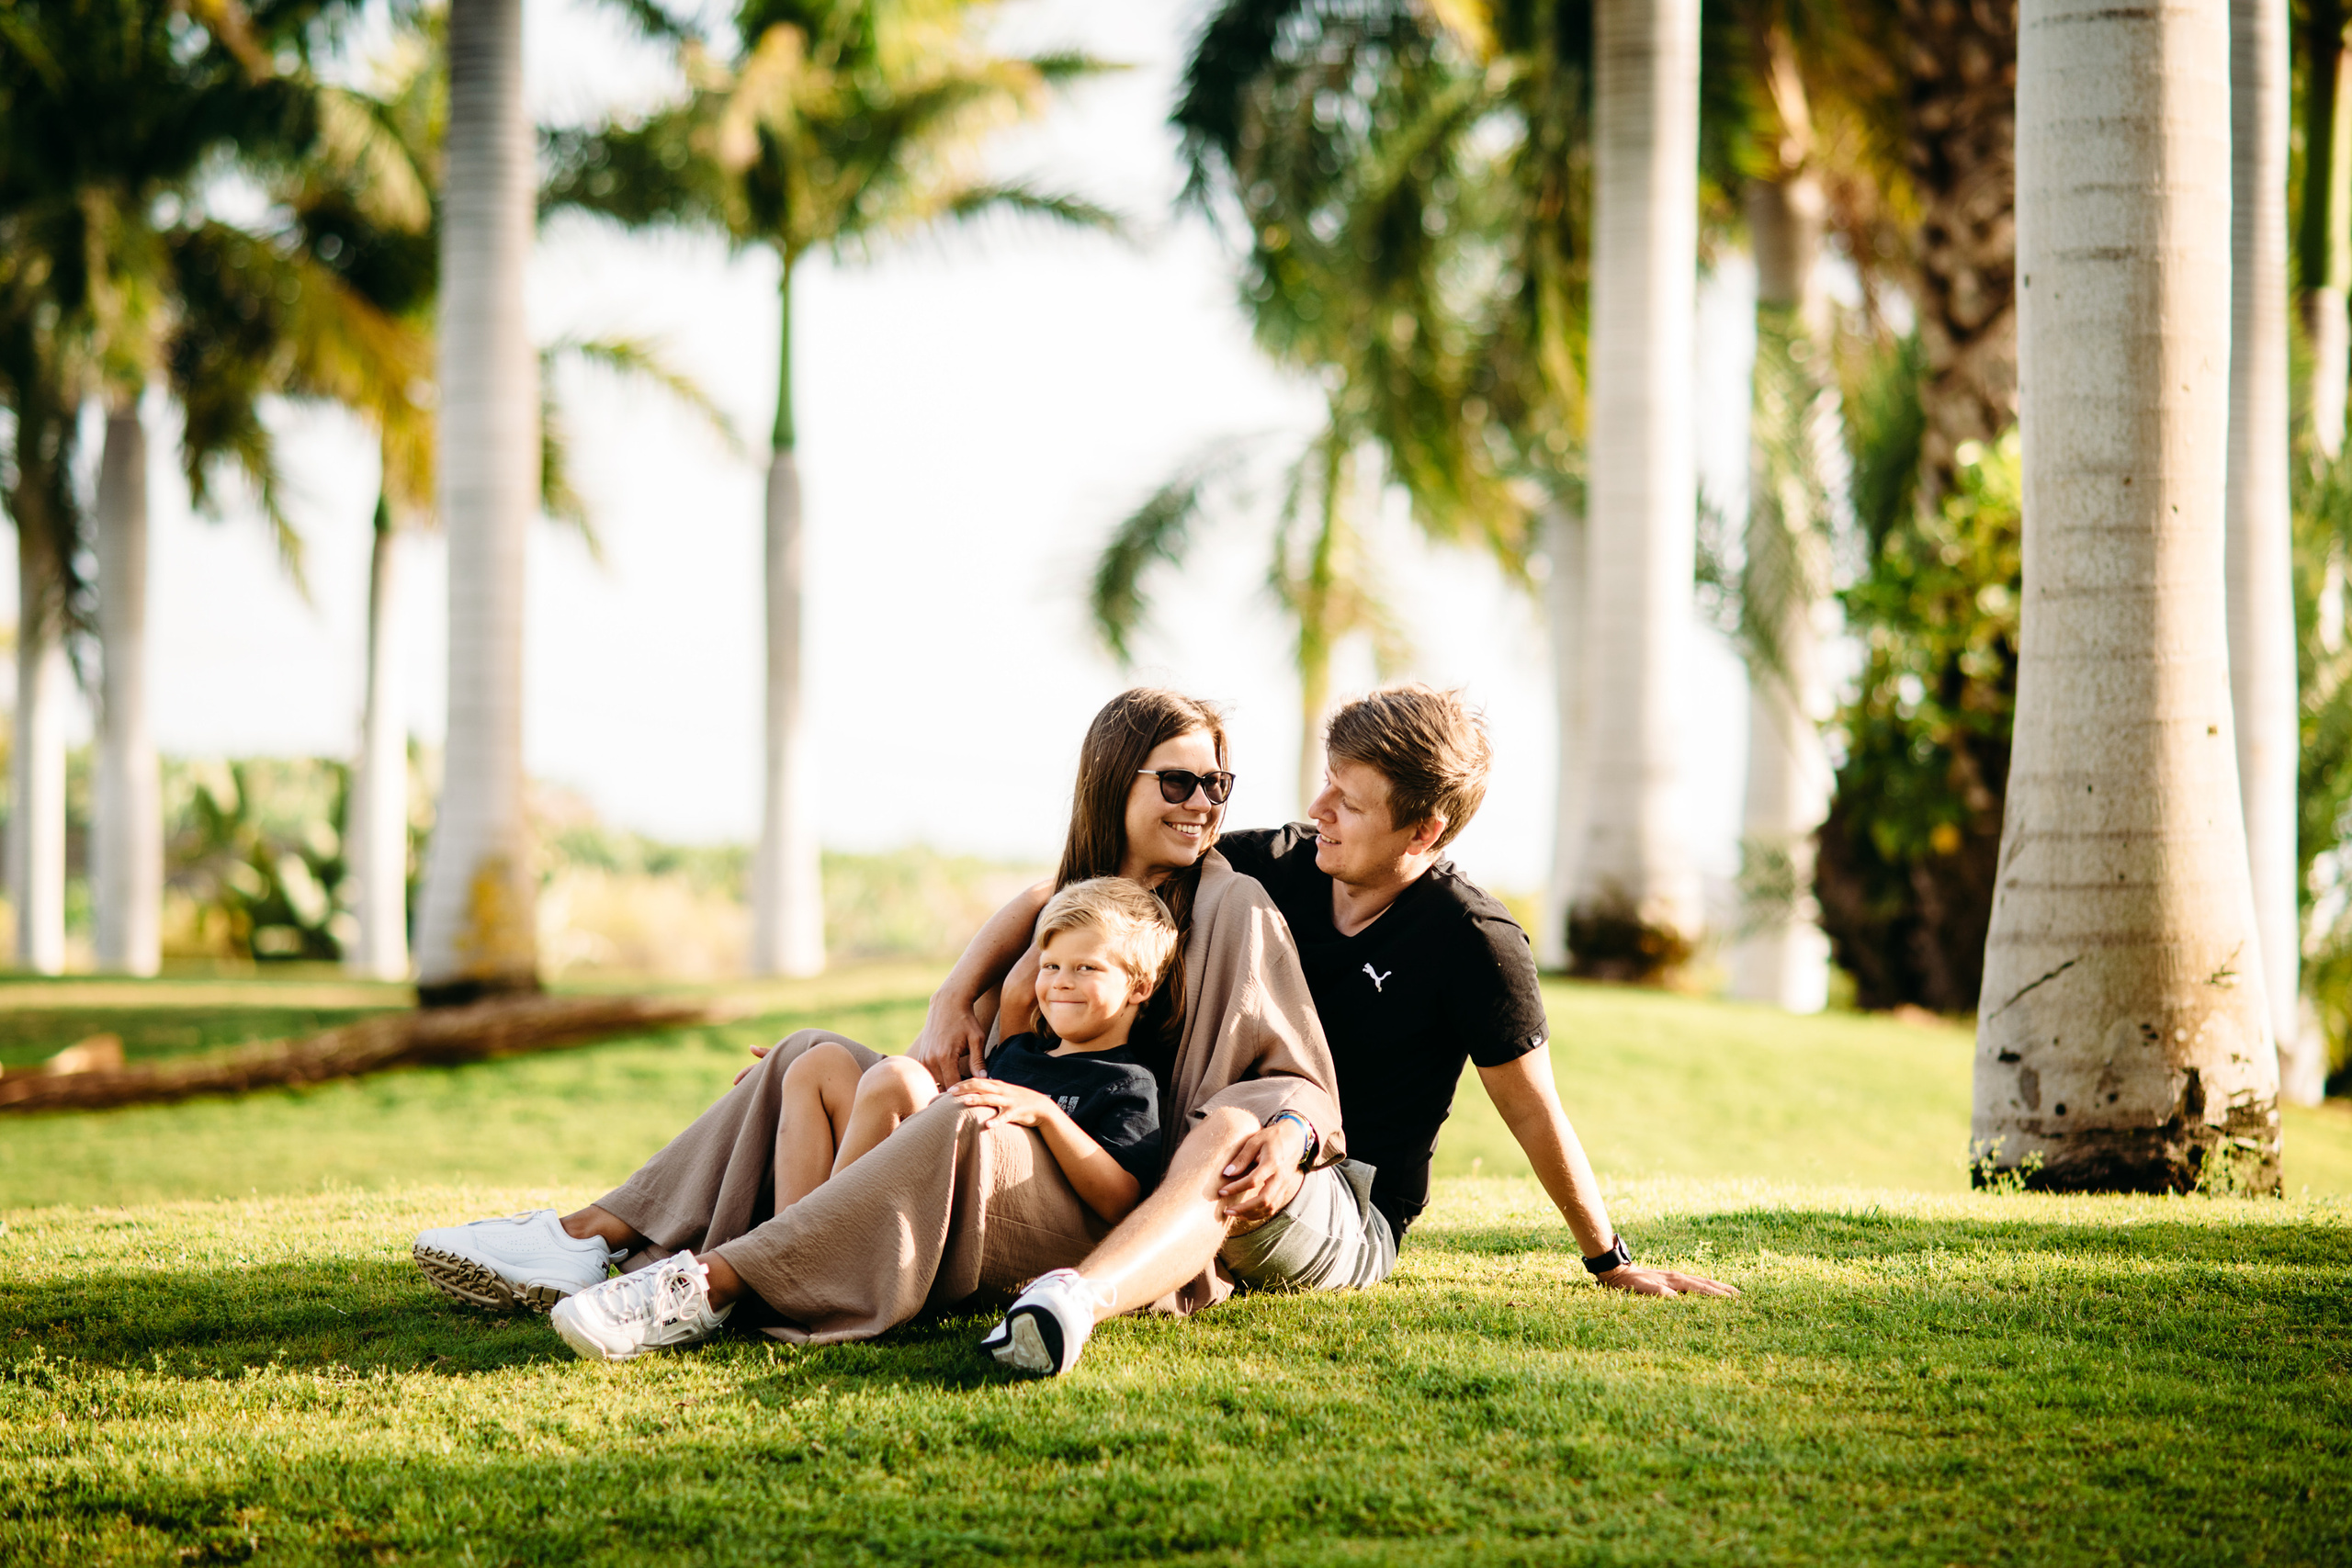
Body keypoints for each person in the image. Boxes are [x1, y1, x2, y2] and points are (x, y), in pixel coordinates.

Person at [411, 688, 1343, 1355]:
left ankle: (714, 1284)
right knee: (807, 1058)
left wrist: (1293, 1132)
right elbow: (962, 1040)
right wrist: (949, 997)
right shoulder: (1060, 900)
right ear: (1114, 780)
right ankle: (587, 1240)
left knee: (963, 1114)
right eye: (1178, 782)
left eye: (1218, 786)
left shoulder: (1228, 907)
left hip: (1086, 1177)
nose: (1203, 804)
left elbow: (1284, 1067)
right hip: (995, 1128)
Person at [913, 683, 1736, 1378]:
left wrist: (1609, 1257)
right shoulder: (1281, 862)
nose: (1319, 811)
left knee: (1232, 1130)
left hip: (1346, 1199)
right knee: (1208, 1120)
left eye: (1349, 800)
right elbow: (1071, 894)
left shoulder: (1473, 941)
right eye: (1326, 784)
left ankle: (1071, 1306)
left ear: (1425, 832)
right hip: (1192, 1139)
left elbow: (1534, 1112)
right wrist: (958, 992)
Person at [546, 878, 1174, 1359]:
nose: (1061, 983)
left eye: (1087, 968)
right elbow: (929, 1106)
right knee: (818, 1064)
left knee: (898, 1077)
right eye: (1052, 967)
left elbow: (1123, 1198)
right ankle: (787, 1270)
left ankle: (772, 1269)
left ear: (1139, 986)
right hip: (926, 1190)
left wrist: (1043, 1115)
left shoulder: (1126, 1082)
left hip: (1005, 1224)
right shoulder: (1017, 1052)